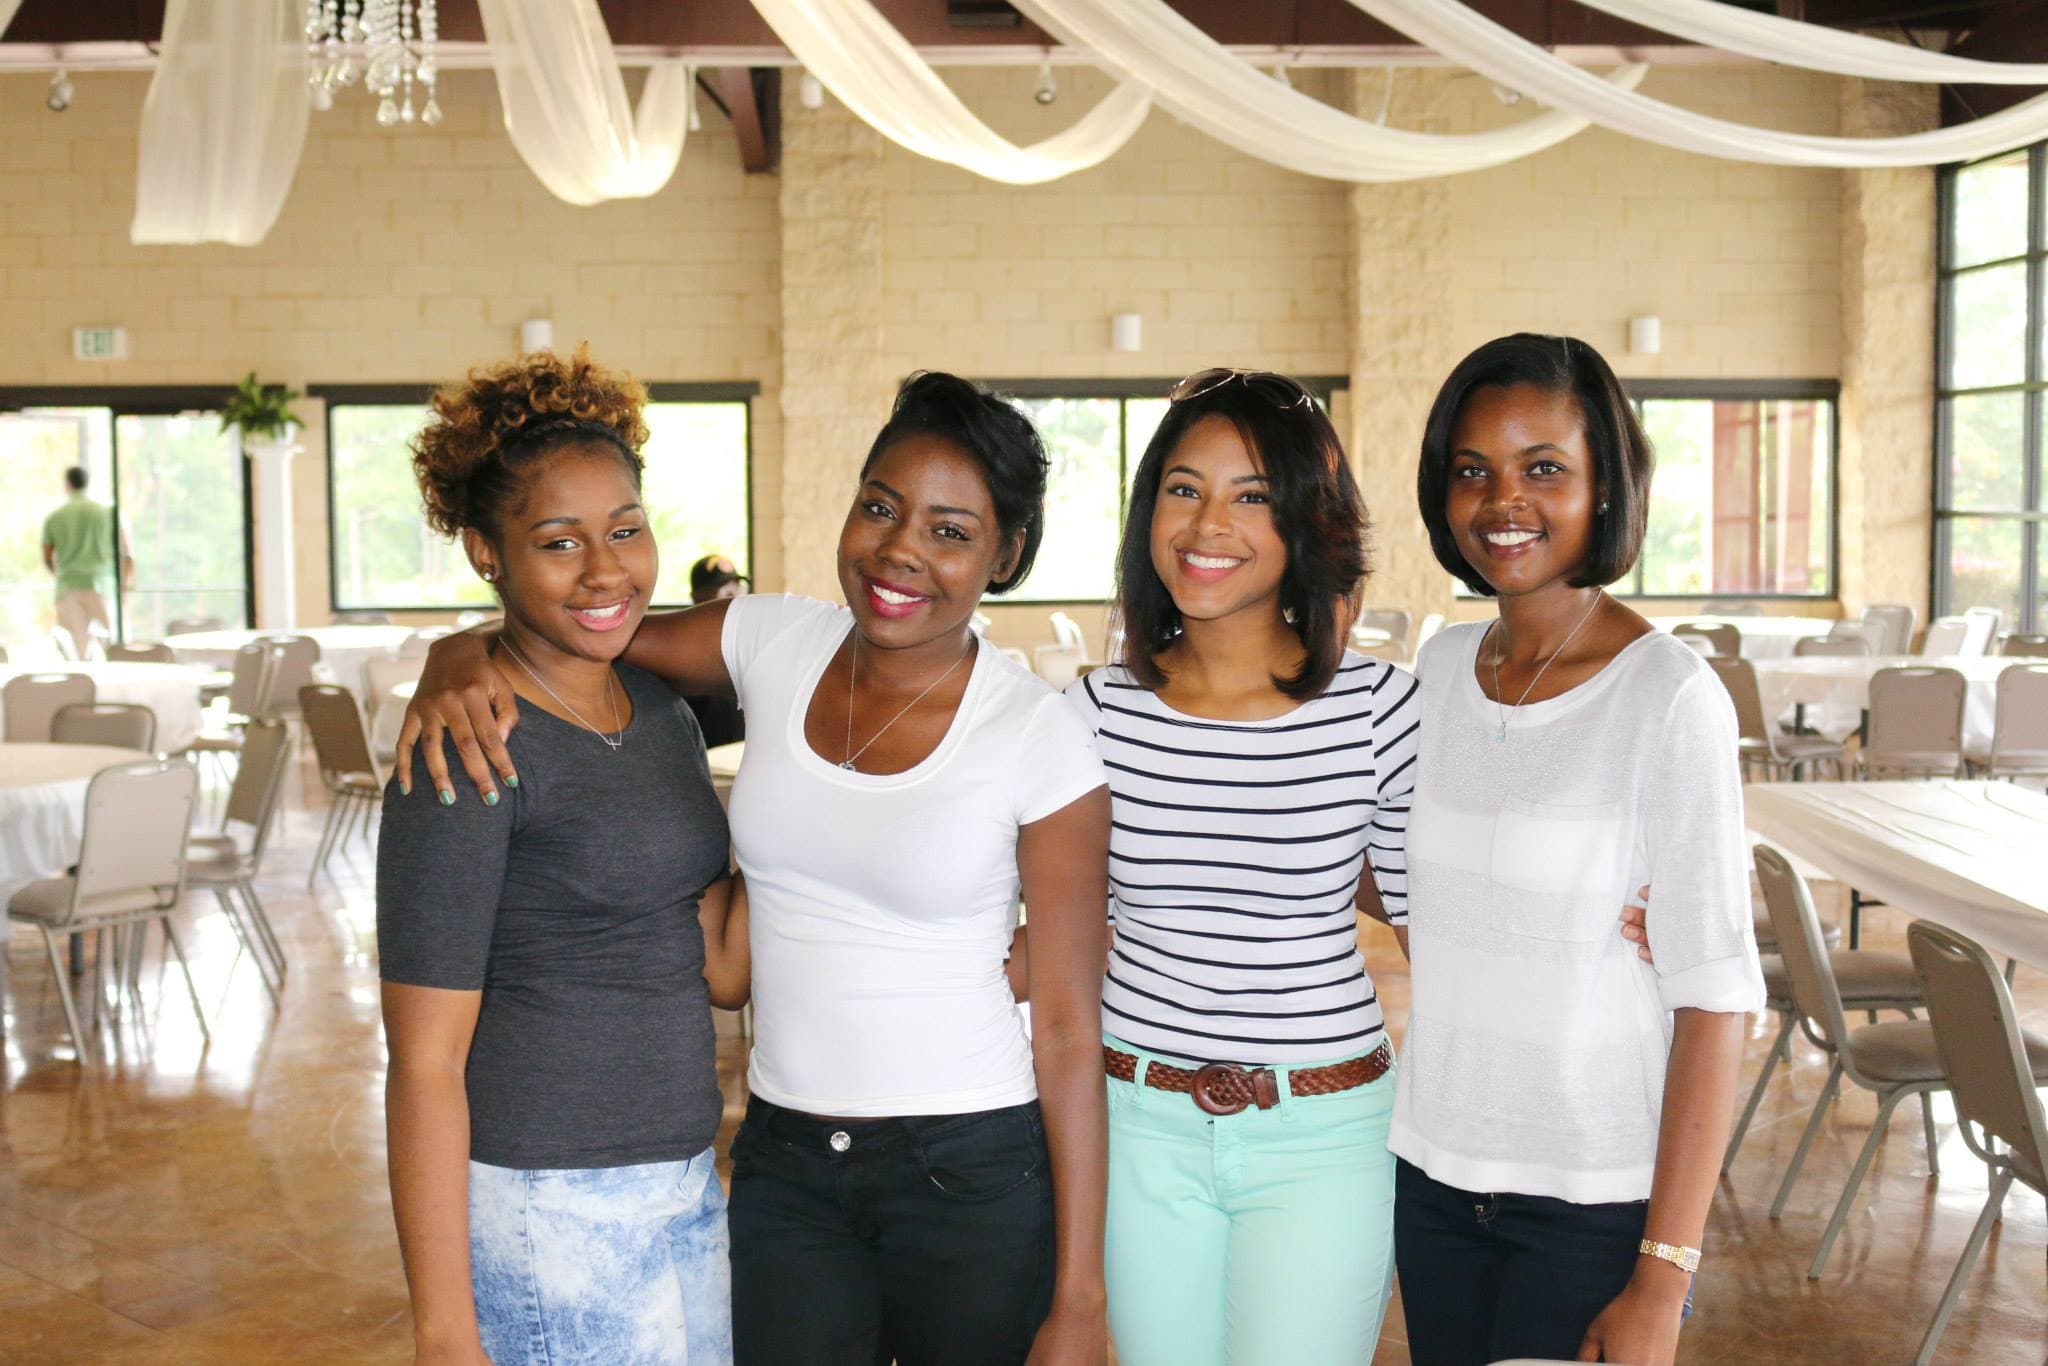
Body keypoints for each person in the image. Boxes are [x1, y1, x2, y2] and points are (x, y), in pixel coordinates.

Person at [396, 371, 1114, 1366]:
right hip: (781, 1163)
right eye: (878, 506)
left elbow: (1071, 1027)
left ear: (1007, 554)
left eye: (950, 530)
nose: (900, 547)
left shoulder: (1037, 732)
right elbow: (575, 632)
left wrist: (1079, 1297)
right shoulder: (772, 640)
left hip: (967, 1162)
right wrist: (453, 655)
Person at [1390, 334, 1763, 1366]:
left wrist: (1662, 1270)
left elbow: (1715, 995)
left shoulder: (1667, 692)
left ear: (1604, 484)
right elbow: (1416, 881)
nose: (1501, 500)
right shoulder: (1441, 664)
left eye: (1541, 467)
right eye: (1472, 470)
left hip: (1591, 1196)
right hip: (1430, 1173)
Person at [377, 350, 750, 1366]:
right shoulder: (465, 741)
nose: (605, 569)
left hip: (683, 1177)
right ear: (484, 554)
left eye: (625, 529)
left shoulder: (663, 712)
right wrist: (443, 1329)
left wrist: (810, 817)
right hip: (545, 1208)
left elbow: (718, 964)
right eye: (557, 541)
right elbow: (421, 1060)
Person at [1060, 367, 1417, 1365]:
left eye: (1250, 494)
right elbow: (1045, 933)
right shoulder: (1090, 714)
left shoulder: (1380, 709)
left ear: (1304, 520)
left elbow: (1435, 921)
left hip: (1322, 1129)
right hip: (1135, 1126)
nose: (1207, 522)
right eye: (1182, 487)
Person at [41, 465, 131, 658]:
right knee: (115, 649)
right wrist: (124, 588)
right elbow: (127, 554)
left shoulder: (55, 516)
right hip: (102, 586)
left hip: (68, 588)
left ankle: (84, 688)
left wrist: (60, 575)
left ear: (68, 485)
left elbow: (47, 556)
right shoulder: (108, 512)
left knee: (78, 654)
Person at [684, 555, 747, 746]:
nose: (734, 595)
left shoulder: (744, 647)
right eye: (724, 589)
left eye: (737, 586)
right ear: (697, 596)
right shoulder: (682, 653)